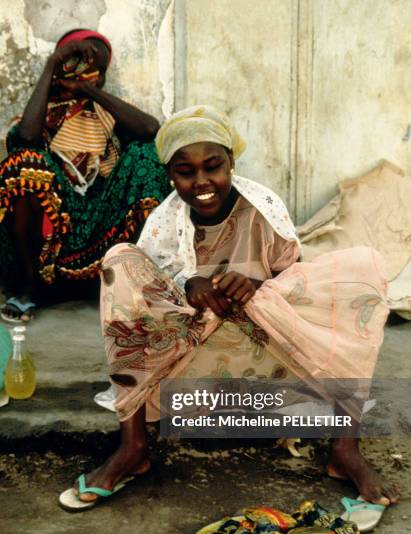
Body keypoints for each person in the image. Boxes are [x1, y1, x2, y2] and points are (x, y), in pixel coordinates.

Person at [60, 105, 399, 511]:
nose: (202, 181)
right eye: (186, 171)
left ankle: (346, 451)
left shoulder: (263, 212)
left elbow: (298, 293)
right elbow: (147, 305)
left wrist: (257, 288)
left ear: (232, 163)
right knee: (119, 262)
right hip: (189, 363)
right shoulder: (163, 223)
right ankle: (132, 448)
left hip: (267, 359)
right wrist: (187, 284)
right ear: (170, 174)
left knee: (363, 271)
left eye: (213, 166)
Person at [0, 29, 169, 322]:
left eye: (96, 70)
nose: (85, 73)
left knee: (146, 154)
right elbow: (27, 138)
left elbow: (150, 130)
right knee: (24, 162)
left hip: (98, 226)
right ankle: (29, 287)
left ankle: (137, 281)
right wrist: (51, 66)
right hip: (49, 234)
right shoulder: (38, 115)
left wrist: (88, 91)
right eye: (77, 63)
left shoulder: (105, 114)